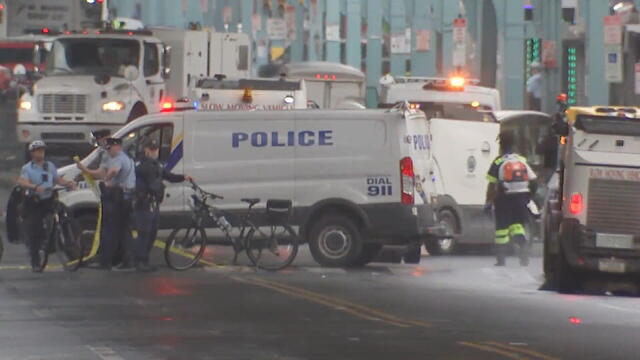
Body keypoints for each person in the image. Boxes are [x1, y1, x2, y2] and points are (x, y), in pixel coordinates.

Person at [77, 137, 136, 271]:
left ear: (117, 146)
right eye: (107, 148)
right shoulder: (117, 158)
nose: (108, 151)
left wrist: (106, 180)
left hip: (117, 197)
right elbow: (99, 173)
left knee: (110, 230)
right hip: (124, 198)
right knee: (123, 230)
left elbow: (113, 171)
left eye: (109, 148)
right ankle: (125, 260)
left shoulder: (119, 158)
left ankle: (107, 261)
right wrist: (85, 169)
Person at [134, 138, 192, 272]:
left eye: (156, 149)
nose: (154, 152)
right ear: (145, 149)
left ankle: (144, 260)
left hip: (154, 204)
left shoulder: (156, 164)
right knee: (144, 233)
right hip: (144, 204)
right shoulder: (142, 164)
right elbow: (150, 182)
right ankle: (140, 261)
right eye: (151, 149)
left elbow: (167, 176)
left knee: (152, 233)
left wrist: (183, 177)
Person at [17, 140, 76, 272]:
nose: (41, 153)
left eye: (42, 150)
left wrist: (67, 183)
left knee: (64, 214)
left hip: (49, 199)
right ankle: (35, 261)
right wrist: (35, 187)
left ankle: (67, 242)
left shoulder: (49, 166)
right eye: (38, 151)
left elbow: (57, 179)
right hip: (34, 201)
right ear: (32, 153)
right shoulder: (27, 168)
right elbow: (23, 181)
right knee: (35, 231)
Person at [485, 132, 537, 267]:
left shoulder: (498, 162)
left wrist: (488, 202)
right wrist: (529, 196)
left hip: (504, 199)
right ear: (514, 144)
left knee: (501, 229)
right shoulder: (522, 160)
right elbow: (534, 181)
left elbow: (492, 185)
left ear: (501, 145)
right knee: (518, 226)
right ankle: (523, 252)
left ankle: (501, 259)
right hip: (521, 198)